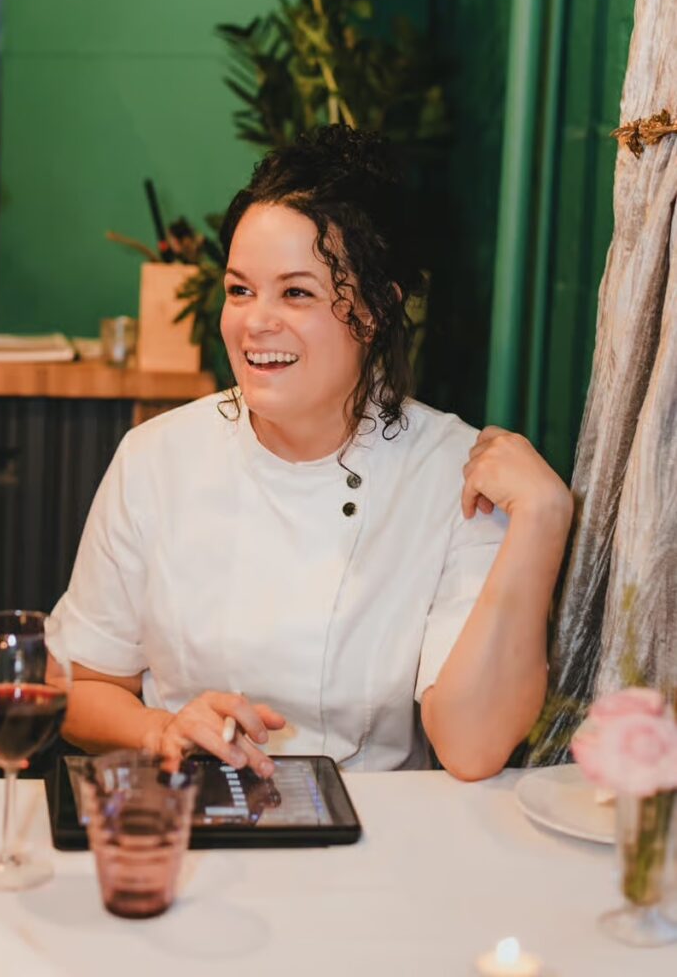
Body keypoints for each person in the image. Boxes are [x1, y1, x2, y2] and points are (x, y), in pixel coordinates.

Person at [54, 126, 573, 780]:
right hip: (194, 821)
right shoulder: (158, 457)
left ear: (378, 309)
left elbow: (472, 747)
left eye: (295, 292)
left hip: (374, 841)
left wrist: (544, 517)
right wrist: (162, 730)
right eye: (240, 289)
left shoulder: (451, 472)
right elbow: (79, 686)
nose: (254, 321)